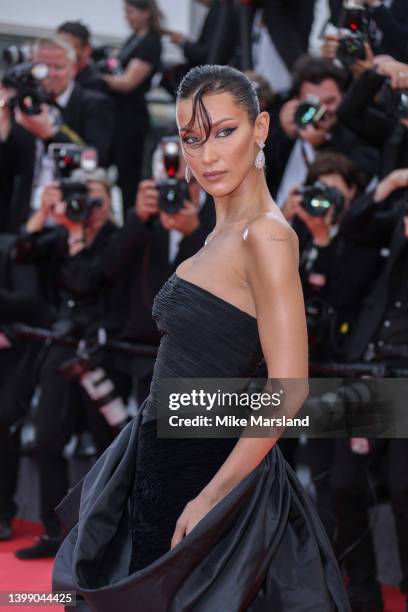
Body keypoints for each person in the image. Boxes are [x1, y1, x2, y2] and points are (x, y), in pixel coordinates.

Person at [52, 65, 350, 611]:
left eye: (224, 132)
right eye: (192, 138)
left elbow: (290, 388)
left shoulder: (267, 236)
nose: (207, 155)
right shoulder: (217, 231)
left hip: (206, 471)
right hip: (159, 460)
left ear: (261, 128)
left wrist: (212, 496)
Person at [0, 37, 114, 231]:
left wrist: (51, 134)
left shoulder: (94, 104)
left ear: (74, 69)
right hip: (23, 217)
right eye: (42, 67)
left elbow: (96, 159)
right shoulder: (21, 105)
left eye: (58, 67)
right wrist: (3, 129)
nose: (50, 74)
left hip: (71, 218)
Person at [102, 0, 162, 211]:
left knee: (128, 178)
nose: (127, 17)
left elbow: (128, 83)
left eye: (130, 12)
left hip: (131, 119)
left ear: (146, 13)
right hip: (116, 116)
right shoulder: (134, 39)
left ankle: (131, 224)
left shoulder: (150, 43)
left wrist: (99, 79)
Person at [57, 21, 107, 93]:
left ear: (86, 50)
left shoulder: (95, 85)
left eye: (67, 47)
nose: (59, 52)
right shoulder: (50, 75)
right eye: (57, 46)